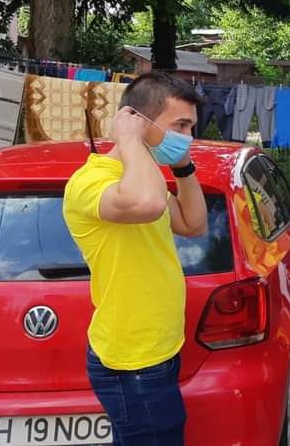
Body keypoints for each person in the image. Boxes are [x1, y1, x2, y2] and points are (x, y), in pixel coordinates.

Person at [63, 72, 208, 444]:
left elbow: (193, 224)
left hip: (157, 351)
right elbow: (147, 203)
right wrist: (127, 139)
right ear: (137, 120)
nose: (188, 137)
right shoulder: (91, 181)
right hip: (132, 362)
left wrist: (183, 166)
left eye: (191, 127)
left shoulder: (145, 177)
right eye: (180, 126)